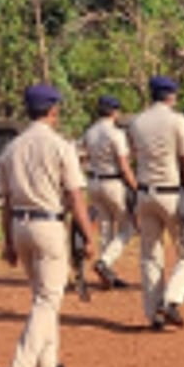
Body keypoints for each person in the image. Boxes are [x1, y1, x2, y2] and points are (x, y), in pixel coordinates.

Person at [0, 85, 93, 367]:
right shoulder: (60, 146)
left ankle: (47, 362)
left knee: (42, 294)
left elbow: (7, 201)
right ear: (52, 111)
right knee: (47, 299)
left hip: (20, 225)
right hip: (48, 225)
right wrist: (89, 235)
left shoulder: (11, 149)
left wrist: (8, 241)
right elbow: (75, 197)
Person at [127, 76, 184, 330]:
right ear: (172, 95)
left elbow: (134, 156)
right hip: (171, 193)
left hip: (144, 193)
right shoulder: (177, 121)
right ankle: (171, 300)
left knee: (150, 254)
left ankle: (153, 312)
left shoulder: (137, 122)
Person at [81, 95, 137, 289]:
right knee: (128, 227)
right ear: (115, 112)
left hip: (94, 182)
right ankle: (105, 262)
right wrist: (135, 186)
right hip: (113, 183)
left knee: (105, 227)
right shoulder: (116, 134)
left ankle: (107, 274)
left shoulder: (90, 132)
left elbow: (87, 156)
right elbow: (124, 165)